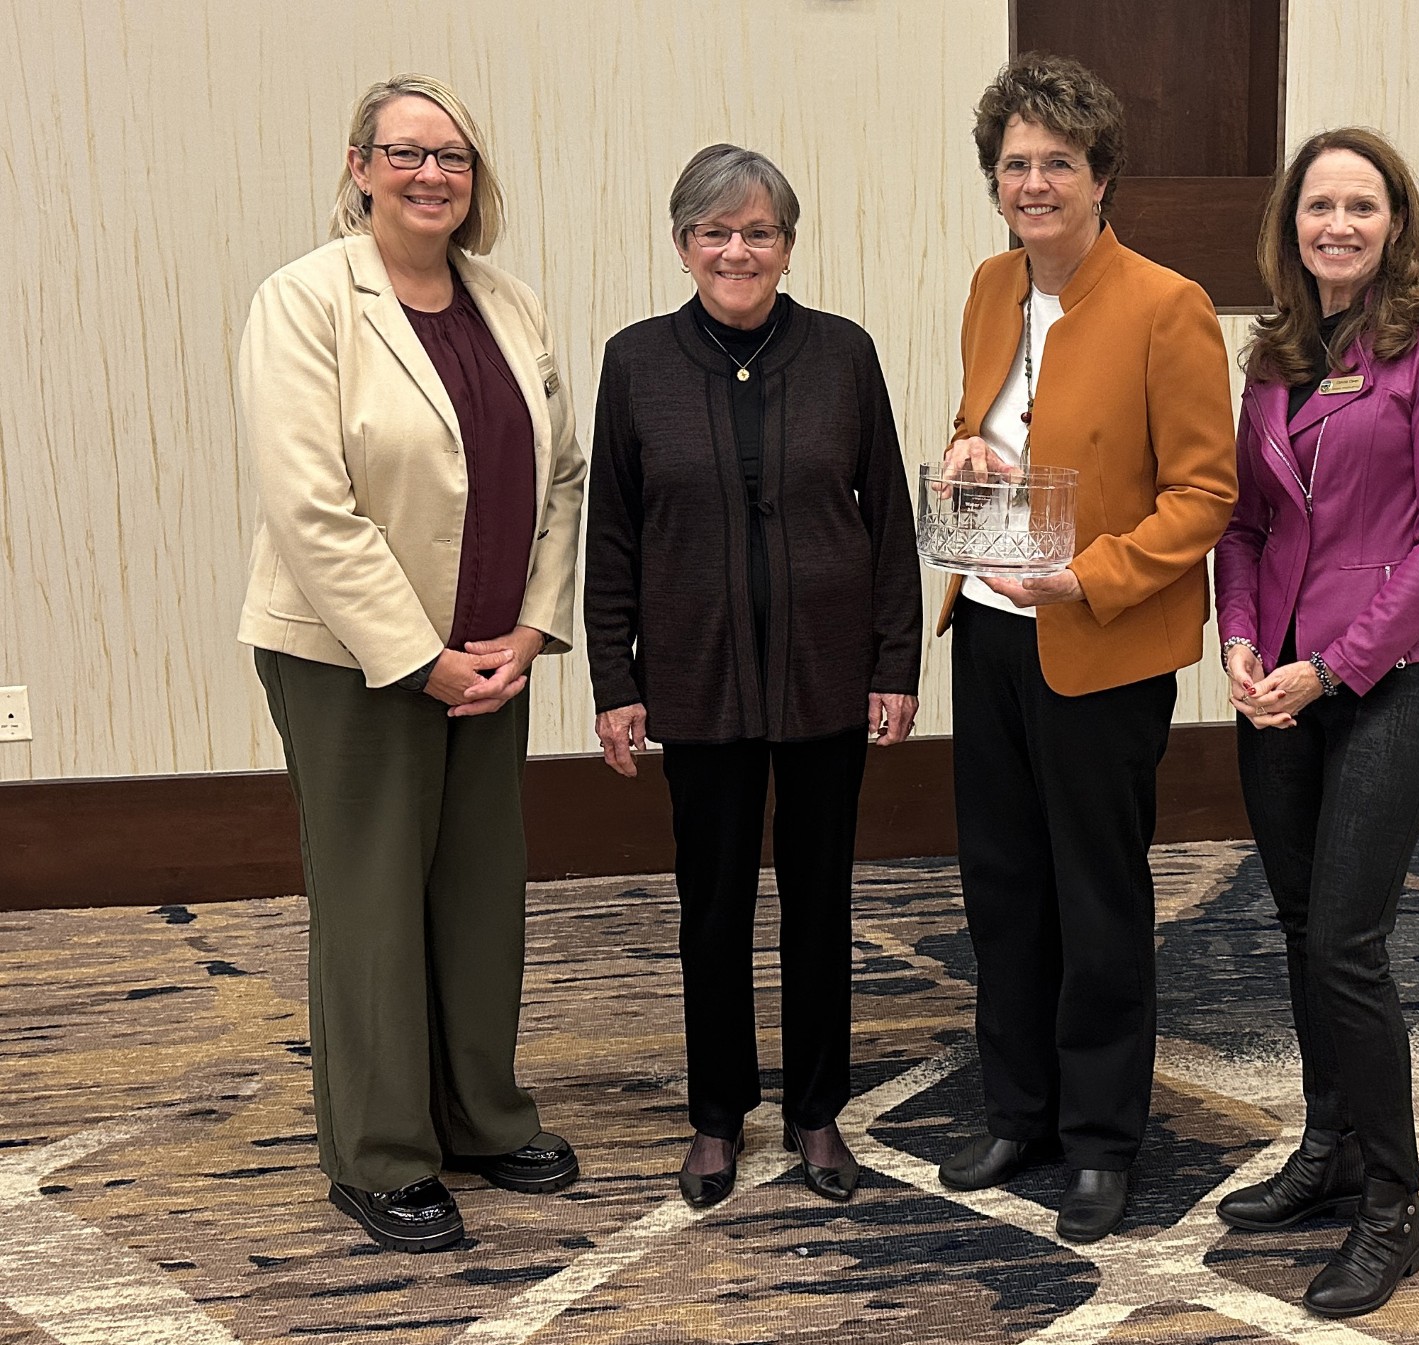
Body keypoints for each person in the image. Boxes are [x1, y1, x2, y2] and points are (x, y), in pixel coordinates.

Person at [237, 74, 587, 1252]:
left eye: (454, 158)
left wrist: (531, 631)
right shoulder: (304, 302)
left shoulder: (510, 303)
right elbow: (309, 505)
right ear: (359, 167)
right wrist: (420, 659)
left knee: (481, 895)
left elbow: (563, 479)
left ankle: (482, 1117)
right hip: (352, 661)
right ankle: (380, 1153)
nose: (432, 174)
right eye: (406, 153)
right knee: (375, 902)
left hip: (494, 658)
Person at [932, 54, 1237, 1244]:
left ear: (1103, 175)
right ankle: (1023, 1111)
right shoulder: (987, 286)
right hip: (992, 634)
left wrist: (1087, 577)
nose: (1035, 182)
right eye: (1016, 164)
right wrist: (965, 453)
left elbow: (1202, 494)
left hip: (1101, 644)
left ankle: (1104, 1139)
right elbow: (983, 423)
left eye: (1059, 162)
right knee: (1002, 888)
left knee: (1096, 898)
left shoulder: (1168, 305)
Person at [585, 144, 921, 1210]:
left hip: (827, 679)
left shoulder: (842, 354)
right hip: (696, 681)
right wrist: (614, 678)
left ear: (787, 244)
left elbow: (888, 522)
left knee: (822, 906)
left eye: (759, 231)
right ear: (682, 244)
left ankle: (818, 1112)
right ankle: (717, 1116)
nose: (737, 249)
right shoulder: (636, 362)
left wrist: (896, 661)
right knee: (714, 908)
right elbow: (614, 537)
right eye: (714, 231)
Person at [1211, 127, 1419, 1316]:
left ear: (1394, 225)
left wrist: (1331, 666)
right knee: (1294, 925)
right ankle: (1328, 1149)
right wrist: (1238, 637)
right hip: (1273, 685)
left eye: (1361, 207)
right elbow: (1243, 524)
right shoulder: (1271, 360)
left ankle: (1393, 1205)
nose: (1338, 225)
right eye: (1319, 206)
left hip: (1385, 678)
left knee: (1346, 942)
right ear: (1291, 227)